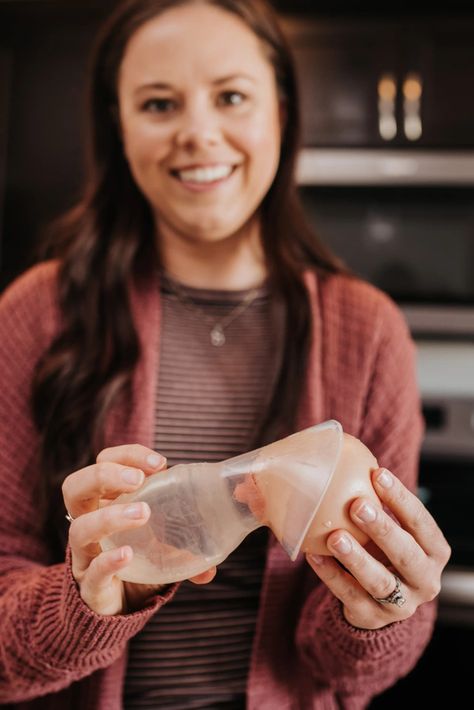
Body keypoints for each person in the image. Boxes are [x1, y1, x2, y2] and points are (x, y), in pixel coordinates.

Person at [0, 0, 451, 708]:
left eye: (232, 96)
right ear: (118, 127)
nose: (198, 134)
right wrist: (90, 594)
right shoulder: (37, 313)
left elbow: (354, 675)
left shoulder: (367, 332)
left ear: (281, 112)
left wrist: (383, 611)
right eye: (158, 103)